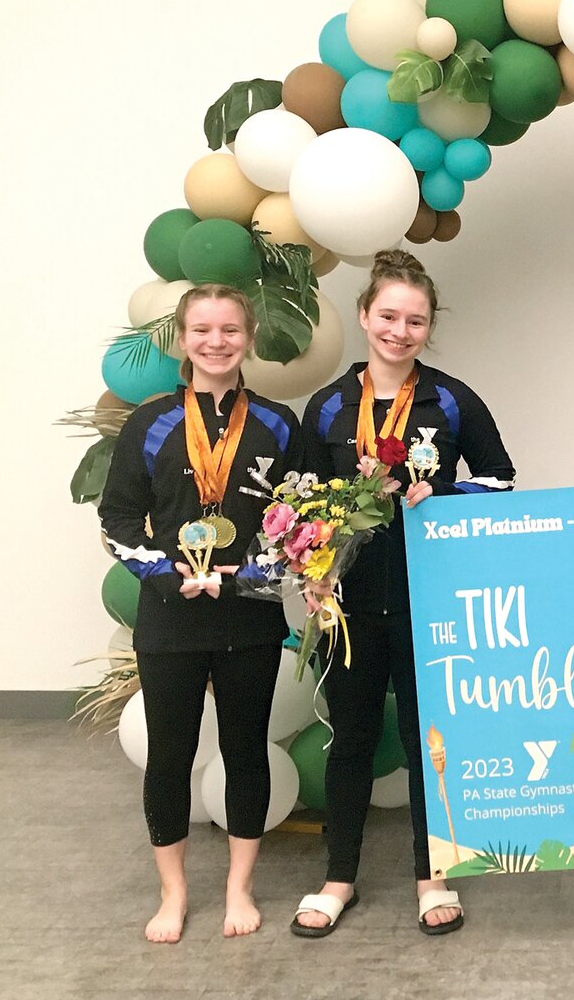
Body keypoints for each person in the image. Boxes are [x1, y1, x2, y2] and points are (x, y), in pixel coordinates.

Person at [291, 249, 515, 938]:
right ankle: (339, 878)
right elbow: (300, 504)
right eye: (388, 315)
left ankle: (433, 875)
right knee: (353, 740)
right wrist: (310, 573)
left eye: (415, 320)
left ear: (428, 327)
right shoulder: (328, 404)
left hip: (432, 603)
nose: (400, 330)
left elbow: (503, 478)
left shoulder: (448, 398)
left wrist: (442, 491)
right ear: (364, 316)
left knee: (430, 743)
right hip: (350, 609)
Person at [100, 284, 302, 943]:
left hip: (247, 616)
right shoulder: (149, 422)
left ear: (248, 337)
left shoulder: (277, 423)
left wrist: (249, 574)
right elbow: (118, 517)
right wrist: (164, 572)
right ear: (182, 339)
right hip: (171, 616)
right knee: (170, 756)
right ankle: (174, 890)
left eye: (230, 330)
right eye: (203, 330)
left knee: (246, 750)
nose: (217, 342)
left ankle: (238, 885)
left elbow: (301, 524)